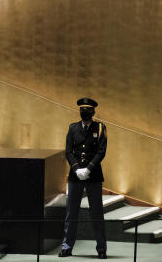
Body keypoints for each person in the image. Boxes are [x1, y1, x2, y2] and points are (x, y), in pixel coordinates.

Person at [59, 98, 107, 259]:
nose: (85, 113)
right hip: (75, 175)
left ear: (93, 112)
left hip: (93, 175)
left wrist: (89, 168)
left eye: (88, 111)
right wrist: (76, 168)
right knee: (71, 213)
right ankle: (67, 247)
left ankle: (101, 249)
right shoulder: (72, 128)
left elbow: (101, 151)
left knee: (97, 213)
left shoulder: (100, 128)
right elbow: (68, 151)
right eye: (82, 111)